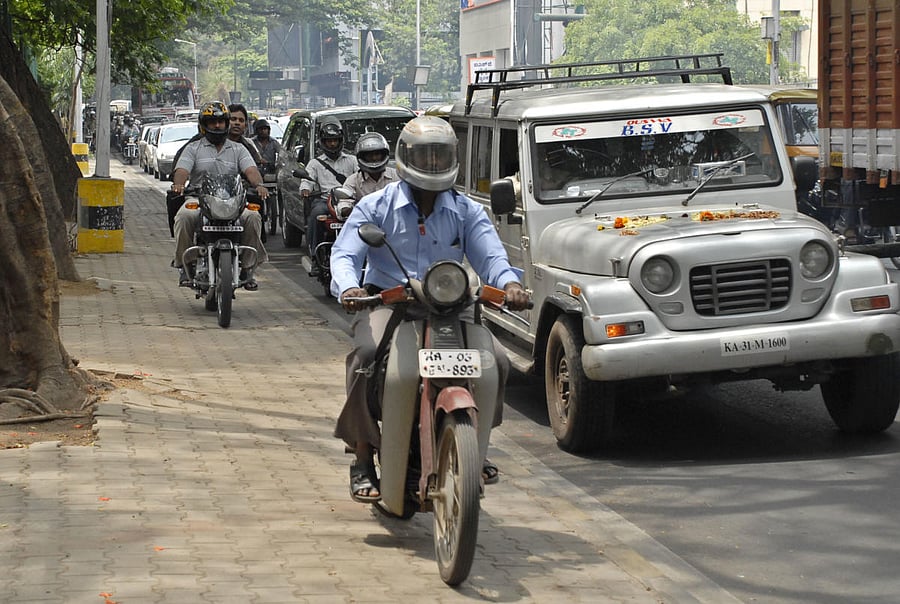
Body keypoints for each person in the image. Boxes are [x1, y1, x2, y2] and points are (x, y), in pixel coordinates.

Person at [329, 115, 531, 502]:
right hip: (391, 303)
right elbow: (346, 253)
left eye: (440, 157)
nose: (433, 165)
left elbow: (491, 255)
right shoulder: (376, 206)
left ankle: (476, 444)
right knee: (365, 359)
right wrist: (350, 286)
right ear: (406, 157)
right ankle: (361, 455)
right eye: (425, 156)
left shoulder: (466, 210)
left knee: (498, 363)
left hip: (451, 307)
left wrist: (510, 285)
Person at [170, 101, 269, 291]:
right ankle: (185, 265)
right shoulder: (193, 148)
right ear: (203, 125)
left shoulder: (239, 149)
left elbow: (251, 170)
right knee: (183, 216)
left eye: (220, 122)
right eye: (212, 122)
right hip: (199, 198)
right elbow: (182, 170)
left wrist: (259, 185)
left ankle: (248, 269)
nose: (217, 126)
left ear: (226, 124)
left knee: (253, 217)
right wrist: (179, 185)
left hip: (233, 200)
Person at [300, 117, 358, 276]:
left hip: (348, 201)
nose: (332, 144)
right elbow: (307, 180)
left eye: (335, 140)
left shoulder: (352, 160)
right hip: (325, 201)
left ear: (341, 140)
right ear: (323, 142)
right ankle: (316, 257)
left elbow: (361, 178)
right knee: (316, 214)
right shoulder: (315, 163)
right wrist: (305, 189)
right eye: (329, 141)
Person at [343, 132, 397, 200]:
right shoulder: (353, 180)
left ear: (384, 154)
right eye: (369, 155)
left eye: (377, 154)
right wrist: (347, 207)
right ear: (362, 156)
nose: (374, 158)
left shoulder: (397, 176)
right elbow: (344, 202)